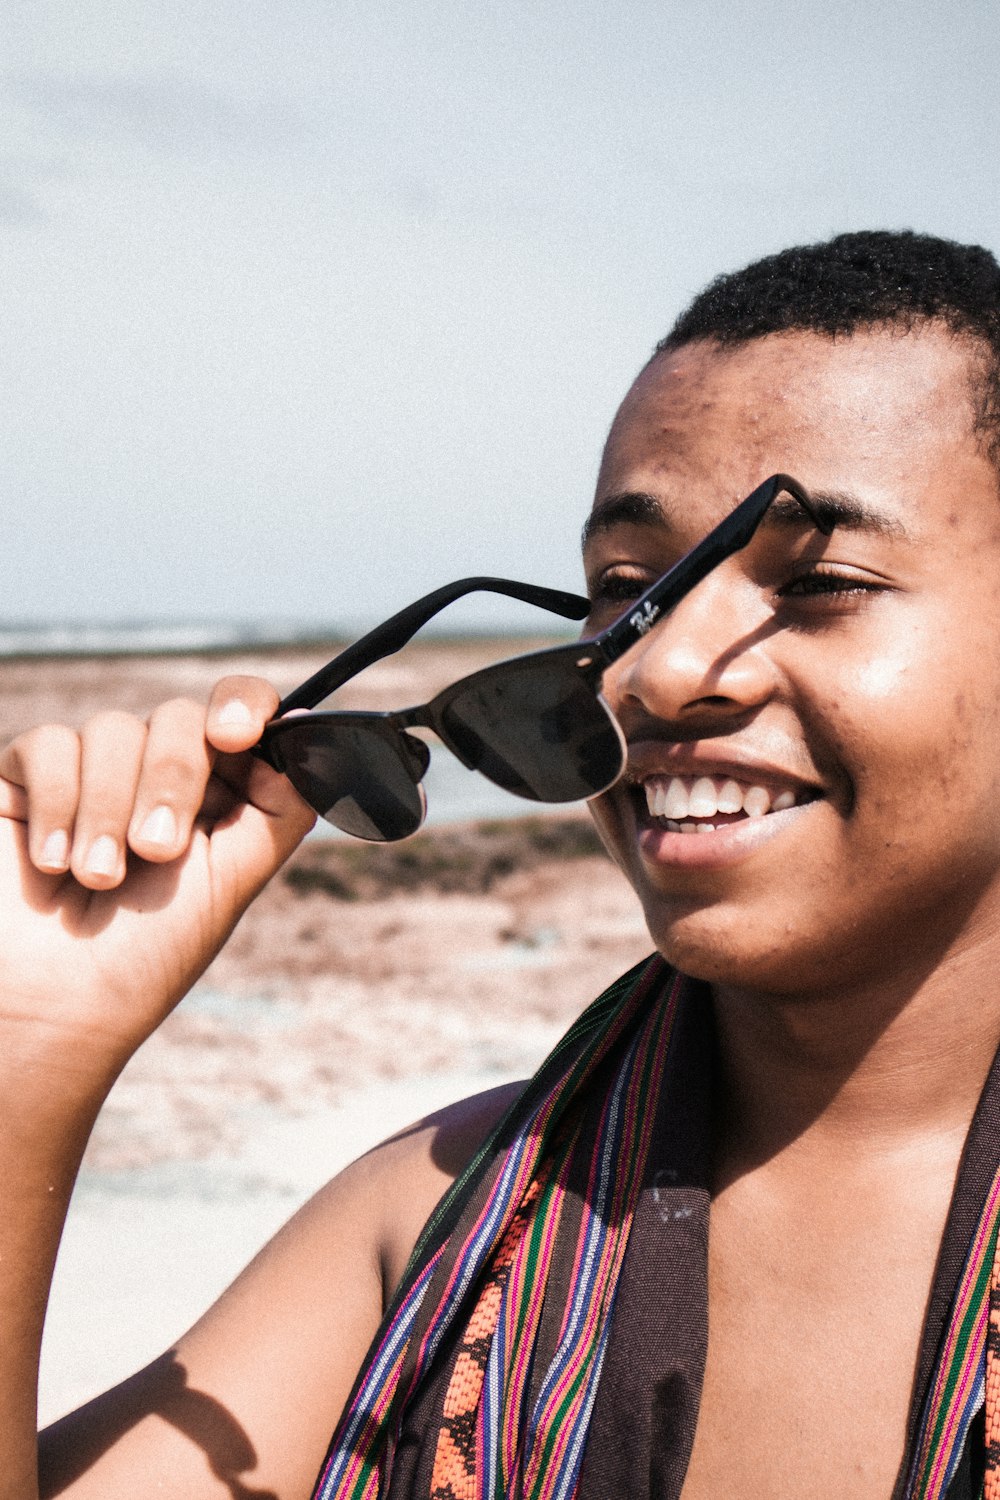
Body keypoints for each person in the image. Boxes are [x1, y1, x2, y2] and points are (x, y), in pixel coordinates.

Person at [3, 227, 1000, 1500]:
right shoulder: (429, 1233)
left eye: (818, 586)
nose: (654, 672)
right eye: (625, 586)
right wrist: (28, 1038)